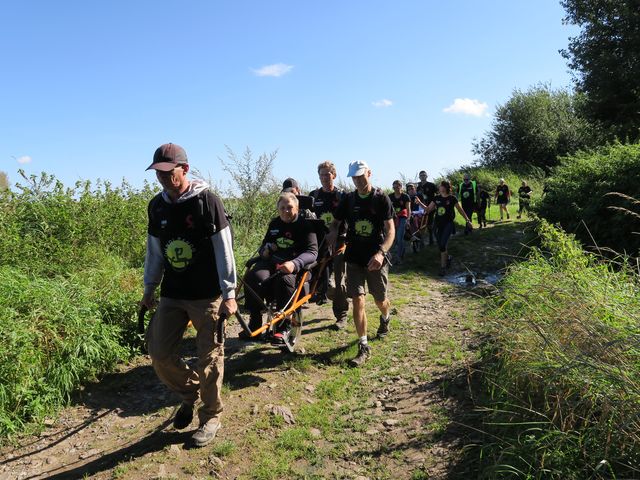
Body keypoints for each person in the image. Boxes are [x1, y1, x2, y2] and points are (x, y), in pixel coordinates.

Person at [141, 143, 237, 447]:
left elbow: (224, 250)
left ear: (185, 168)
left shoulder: (207, 202)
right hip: (173, 292)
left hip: (207, 294)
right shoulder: (157, 207)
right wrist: (149, 289)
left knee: (209, 357)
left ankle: (210, 416)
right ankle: (189, 391)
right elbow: (154, 253)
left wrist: (229, 293)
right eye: (159, 173)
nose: (164, 179)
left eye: (169, 172)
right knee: (159, 352)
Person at [328, 160, 395, 367]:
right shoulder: (348, 199)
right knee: (358, 300)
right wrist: (331, 236)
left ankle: (385, 317)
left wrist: (381, 253)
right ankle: (363, 345)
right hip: (354, 258)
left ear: (369, 173)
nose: (357, 181)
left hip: (375, 258)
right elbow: (336, 222)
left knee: (380, 300)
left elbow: (391, 230)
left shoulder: (381, 198)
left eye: (360, 176)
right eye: (354, 177)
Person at [243, 192, 318, 344]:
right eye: (282, 208)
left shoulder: (306, 226)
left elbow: (312, 252)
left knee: (283, 280)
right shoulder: (274, 224)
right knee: (252, 277)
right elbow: (264, 245)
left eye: (290, 207)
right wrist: (265, 250)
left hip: (293, 266)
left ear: (296, 208)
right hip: (271, 262)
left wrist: (295, 263)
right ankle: (255, 321)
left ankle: (284, 326)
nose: (286, 211)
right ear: (278, 209)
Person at [309, 161, 349, 329]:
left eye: (327, 174)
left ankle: (342, 315)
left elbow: (349, 220)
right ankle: (321, 294)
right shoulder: (314, 196)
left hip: (339, 243)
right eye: (322, 175)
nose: (325, 178)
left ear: (334, 175)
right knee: (320, 279)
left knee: (338, 281)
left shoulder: (342, 197)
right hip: (318, 244)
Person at [424, 180, 473, 276]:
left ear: (445, 187)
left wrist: (468, 221)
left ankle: (443, 268)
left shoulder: (452, 198)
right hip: (437, 225)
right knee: (440, 246)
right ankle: (448, 258)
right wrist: (419, 203)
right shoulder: (436, 198)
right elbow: (428, 210)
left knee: (443, 245)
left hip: (448, 224)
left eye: (441, 186)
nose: (439, 187)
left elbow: (460, 210)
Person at [389, 180, 411, 263]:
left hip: (403, 217)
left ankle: (399, 257)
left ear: (401, 187)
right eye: (394, 187)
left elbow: (408, 209)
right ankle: (401, 251)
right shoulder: (390, 196)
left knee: (399, 237)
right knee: (394, 237)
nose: (395, 189)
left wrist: (408, 219)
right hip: (393, 218)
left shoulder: (405, 196)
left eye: (397, 187)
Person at [416, 171, 437, 245]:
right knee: (421, 225)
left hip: (431, 206)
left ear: (426, 176)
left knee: (430, 224)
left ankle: (431, 238)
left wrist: (436, 204)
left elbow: (437, 195)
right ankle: (422, 242)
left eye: (424, 175)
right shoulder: (418, 187)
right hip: (421, 208)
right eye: (421, 175)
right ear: (419, 177)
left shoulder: (431, 185)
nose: (422, 176)